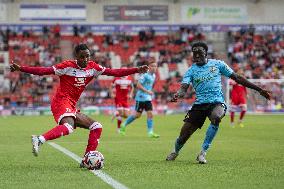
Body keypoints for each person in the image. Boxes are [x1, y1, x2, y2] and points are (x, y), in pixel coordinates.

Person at [10, 43, 149, 167]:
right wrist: (21, 69)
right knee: (68, 127)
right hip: (61, 101)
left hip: (71, 105)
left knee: (97, 127)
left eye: (87, 56)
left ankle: (86, 159)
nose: (85, 59)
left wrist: (136, 70)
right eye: (82, 57)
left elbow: (115, 72)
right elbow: (43, 71)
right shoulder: (67, 66)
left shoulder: (93, 68)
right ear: (76, 56)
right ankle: (39, 139)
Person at [166, 41, 271, 163]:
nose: (196, 56)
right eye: (194, 54)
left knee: (216, 117)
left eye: (199, 53)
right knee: (183, 136)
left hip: (217, 102)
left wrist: (259, 89)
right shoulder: (191, 70)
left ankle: (202, 153)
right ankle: (175, 151)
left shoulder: (218, 64)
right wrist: (178, 94)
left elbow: (237, 78)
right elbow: (183, 88)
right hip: (199, 105)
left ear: (206, 53)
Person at [119, 60, 160, 138]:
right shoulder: (145, 75)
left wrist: (149, 92)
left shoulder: (154, 76)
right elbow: (138, 85)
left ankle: (150, 132)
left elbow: (149, 85)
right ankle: (123, 125)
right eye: (152, 66)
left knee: (150, 114)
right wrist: (147, 91)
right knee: (137, 115)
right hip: (140, 98)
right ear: (149, 67)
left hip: (148, 98)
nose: (154, 68)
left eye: (155, 66)